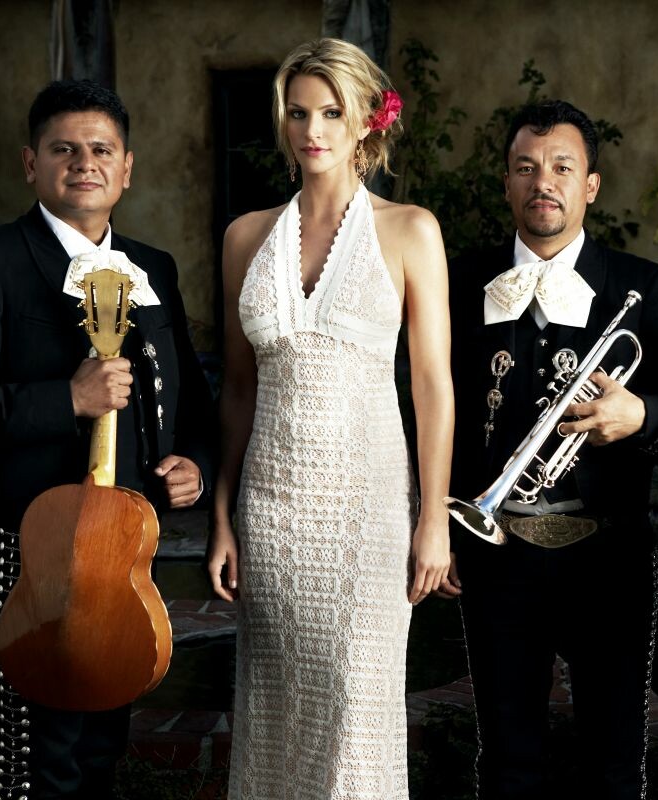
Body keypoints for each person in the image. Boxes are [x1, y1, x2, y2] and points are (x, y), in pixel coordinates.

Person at [0, 80, 215, 799]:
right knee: (39, 759)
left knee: (102, 747)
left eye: (102, 150)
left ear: (127, 168)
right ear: (30, 163)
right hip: (36, 541)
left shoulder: (154, 267)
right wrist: (66, 399)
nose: (85, 163)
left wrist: (195, 465)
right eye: (64, 149)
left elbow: (194, 407)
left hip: (129, 543)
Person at [204, 38, 454, 800]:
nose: (312, 130)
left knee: (355, 714)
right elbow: (238, 390)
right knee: (275, 716)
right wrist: (222, 517)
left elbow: (432, 386)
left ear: (367, 121)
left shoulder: (410, 230)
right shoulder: (245, 238)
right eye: (298, 113)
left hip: (367, 514)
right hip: (271, 511)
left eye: (331, 113)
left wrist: (433, 519)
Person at [444, 99, 658, 799]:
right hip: (495, 553)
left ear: (591, 185)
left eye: (561, 167)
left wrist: (642, 414)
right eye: (525, 168)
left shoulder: (645, 286)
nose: (542, 182)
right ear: (507, 184)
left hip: (609, 555)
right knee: (506, 759)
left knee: (615, 761)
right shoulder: (459, 282)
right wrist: (437, 522)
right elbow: (427, 407)